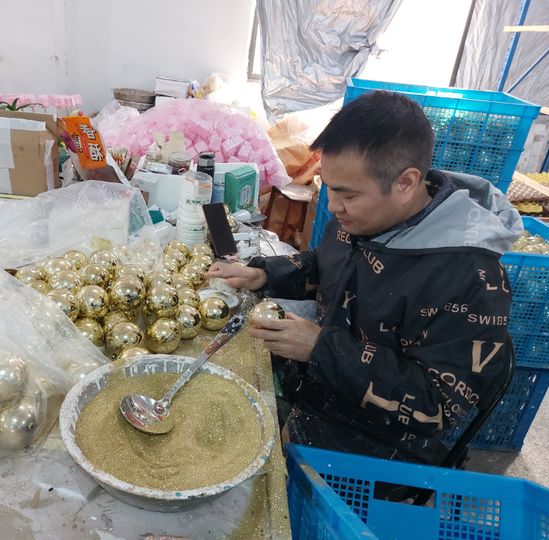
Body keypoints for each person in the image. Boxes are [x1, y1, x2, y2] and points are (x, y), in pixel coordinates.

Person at [207, 90, 522, 465]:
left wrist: (324, 349)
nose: (333, 206)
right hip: (315, 387)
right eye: (329, 188)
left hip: (380, 443)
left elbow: (434, 405)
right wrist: (262, 274)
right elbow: (325, 266)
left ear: (406, 183)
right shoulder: (363, 218)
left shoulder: (470, 277)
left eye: (348, 196)